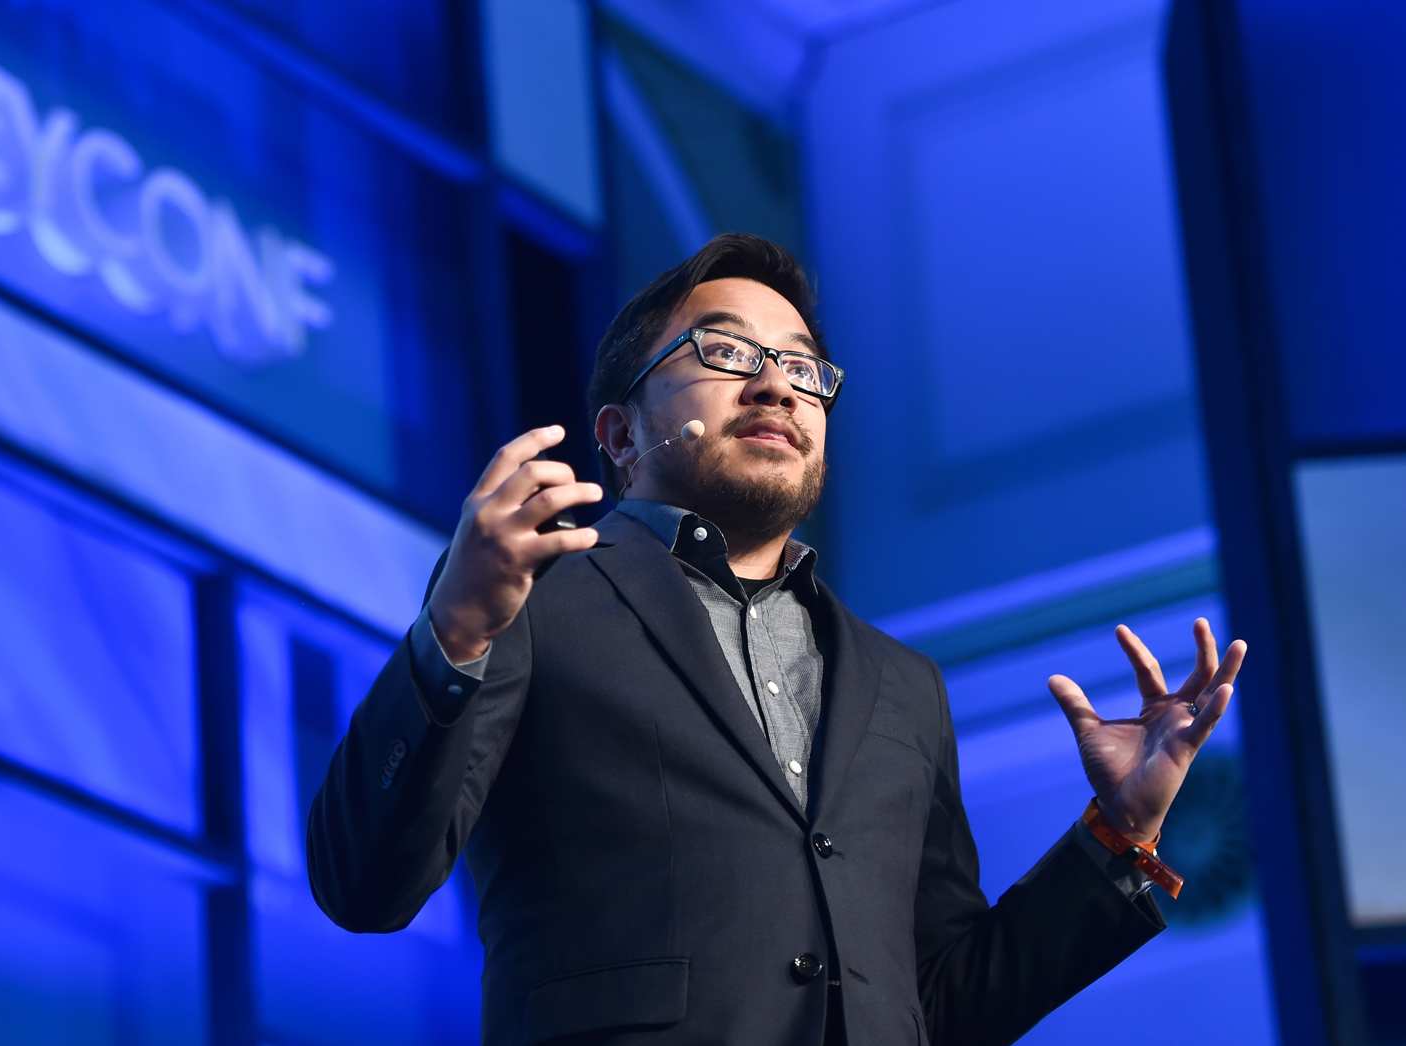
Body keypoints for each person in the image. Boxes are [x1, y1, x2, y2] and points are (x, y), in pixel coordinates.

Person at [306, 233, 1246, 1046]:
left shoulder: (903, 683)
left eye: (803, 370)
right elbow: (363, 884)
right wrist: (458, 629)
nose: (775, 386)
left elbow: (935, 1009)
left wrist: (1121, 833)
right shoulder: (531, 597)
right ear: (620, 434)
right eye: (725, 351)